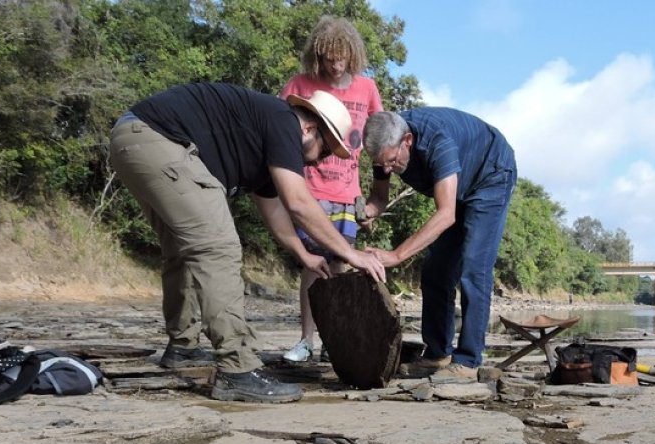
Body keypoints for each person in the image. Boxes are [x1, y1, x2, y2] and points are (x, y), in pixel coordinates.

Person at [109, 82, 385, 403]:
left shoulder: (265, 139)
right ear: (310, 129)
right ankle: (237, 370)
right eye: (325, 150)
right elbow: (298, 202)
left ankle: (182, 348)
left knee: (182, 252)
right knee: (219, 248)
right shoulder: (285, 121)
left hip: (132, 138)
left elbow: (276, 211)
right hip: (159, 140)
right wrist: (350, 253)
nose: (318, 162)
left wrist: (303, 253)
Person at [361, 109, 517, 382]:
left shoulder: (438, 142)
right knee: (436, 271)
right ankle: (438, 354)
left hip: (490, 174)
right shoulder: (384, 147)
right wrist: (363, 213)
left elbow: (446, 214)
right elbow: (379, 199)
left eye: (392, 162)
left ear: (407, 141)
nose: (386, 170)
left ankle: (468, 361)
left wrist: (396, 255)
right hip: (459, 187)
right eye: (380, 164)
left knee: (474, 266)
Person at [278, 16, 384, 364]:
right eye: (329, 59)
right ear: (318, 55)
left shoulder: (367, 89)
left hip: (347, 192)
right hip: (309, 188)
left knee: (340, 266)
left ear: (353, 55)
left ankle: (332, 340)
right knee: (314, 264)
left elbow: (378, 142)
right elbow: (278, 130)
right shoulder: (301, 84)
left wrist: (374, 201)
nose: (336, 66)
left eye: (342, 59)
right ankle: (306, 340)